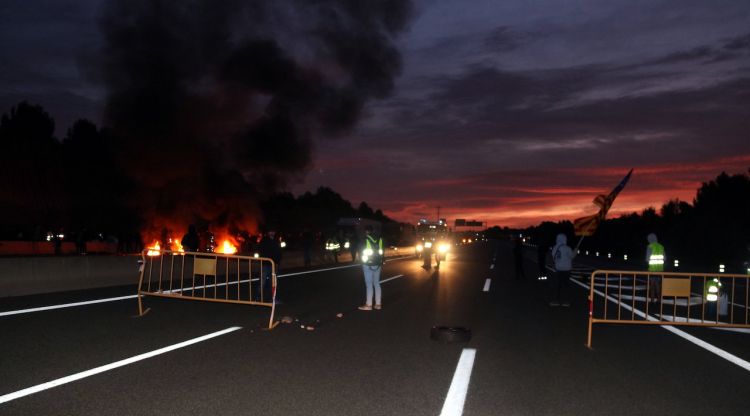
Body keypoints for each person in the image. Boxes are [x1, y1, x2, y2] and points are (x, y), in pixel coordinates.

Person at [358, 225, 384, 311]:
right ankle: (378, 304)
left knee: (369, 285)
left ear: (366, 231)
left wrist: (362, 261)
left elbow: (361, 252)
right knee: (376, 283)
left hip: (368, 264)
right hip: (378, 264)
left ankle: (368, 305)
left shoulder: (365, 239)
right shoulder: (380, 239)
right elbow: (382, 251)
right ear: (372, 231)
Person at [258, 228, 283, 302]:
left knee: (273, 283)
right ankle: (258, 297)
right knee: (262, 282)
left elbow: (279, 251)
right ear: (268, 232)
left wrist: (278, 261)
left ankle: (273, 298)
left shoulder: (276, 240)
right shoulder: (264, 240)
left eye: (273, 231)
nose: (272, 233)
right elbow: (261, 251)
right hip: (266, 264)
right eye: (270, 231)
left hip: (274, 264)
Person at [550, 233, 575, 307]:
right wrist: (575, 251)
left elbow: (554, 257)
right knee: (566, 286)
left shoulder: (555, 248)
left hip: (558, 269)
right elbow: (572, 256)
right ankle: (566, 302)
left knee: (558, 285)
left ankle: (556, 301)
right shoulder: (568, 248)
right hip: (567, 269)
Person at [645, 233, 665, 303]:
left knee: (652, 285)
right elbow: (664, 258)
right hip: (660, 269)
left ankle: (652, 300)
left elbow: (647, 259)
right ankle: (659, 299)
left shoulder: (650, 246)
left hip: (652, 270)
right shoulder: (661, 246)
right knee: (658, 285)